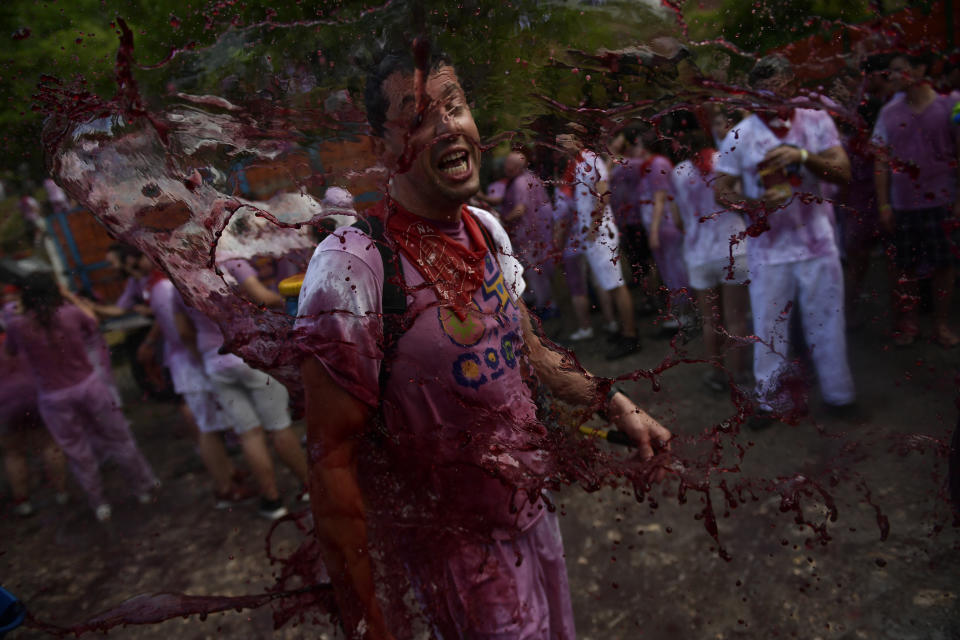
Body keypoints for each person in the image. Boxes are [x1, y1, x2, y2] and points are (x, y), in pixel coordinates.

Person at [294, 50, 672, 639]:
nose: (447, 126)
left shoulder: (484, 228)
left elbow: (534, 354)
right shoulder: (351, 267)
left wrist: (616, 404)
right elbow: (332, 458)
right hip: (458, 556)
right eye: (418, 117)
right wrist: (368, 622)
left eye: (455, 105)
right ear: (381, 149)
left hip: (533, 516)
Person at [713, 55, 857, 426]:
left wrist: (804, 157)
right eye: (762, 94)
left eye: (778, 90)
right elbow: (720, 190)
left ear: (792, 86)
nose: (771, 100)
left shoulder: (816, 120)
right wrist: (754, 204)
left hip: (817, 242)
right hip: (769, 248)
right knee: (769, 327)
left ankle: (838, 395)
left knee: (827, 321)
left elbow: (843, 172)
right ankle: (769, 400)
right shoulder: (740, 135)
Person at [4, 273, 158, 521]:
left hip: (53, 395)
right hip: (88, 384)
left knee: (78, 451)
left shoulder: (18, 326)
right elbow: (92, 323)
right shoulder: (70, 314)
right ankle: (143, 486)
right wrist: (68, 296)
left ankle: (99, 503)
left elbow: (10, 350)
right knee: (119, 437)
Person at [174, 294, 309, 519]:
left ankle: (272, 501)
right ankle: (310, 487)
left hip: (215, 365)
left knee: (249, 435)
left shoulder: (176, 282)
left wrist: (205, 360)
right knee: (279, 427)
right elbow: (260, 295)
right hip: (249, 354)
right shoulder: (228, 263)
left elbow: (184, 332)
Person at [137, 269, 254, 507]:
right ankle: (224, 488)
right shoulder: (169, 287)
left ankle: (228, 474)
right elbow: (182, 333)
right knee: (208, 428)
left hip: (190, 362)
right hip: (192, 364)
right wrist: (202, 361)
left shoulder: (161, 287)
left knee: (212, 425)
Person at [872, 50, 960, 348]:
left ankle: (940, 325)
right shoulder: (888, 113)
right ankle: (907, 324)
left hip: (942, 202)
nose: (893, 77)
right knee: (903, 267)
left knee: (944, 266)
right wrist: (884, 204)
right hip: (903, 205)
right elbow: (880, 161)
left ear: (920, 69)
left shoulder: (951, 104)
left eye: (899, 70)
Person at [672, 122, 750, 393]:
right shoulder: (724, 161)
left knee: (710, 320)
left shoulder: (679, 172)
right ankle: (740, 374)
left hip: (699, 253)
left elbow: (677, 217)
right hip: (733, 247)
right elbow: (740, 199)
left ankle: (717, 374)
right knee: (736, 318)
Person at [556, 126, 641, 358]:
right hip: (593, 235)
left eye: (565, 140)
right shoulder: (577, 163)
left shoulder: (590, 160)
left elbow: (604, 193)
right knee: (610, 284)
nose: (561, 145)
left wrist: (594, 227)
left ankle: (631, 336)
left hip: (601, 233)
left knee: (616, 284)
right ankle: (625, 330)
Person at [500, 149, 558, 317]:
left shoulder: (519, 182)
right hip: (539, 233)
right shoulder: (531, 177)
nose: (505, 168)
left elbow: (519, 210)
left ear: (515, 167)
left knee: (535, 272)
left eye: (507, 165)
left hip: (529, 235)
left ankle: (546, 306)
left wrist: (501, 221)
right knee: (539, 270)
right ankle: (545, 303)